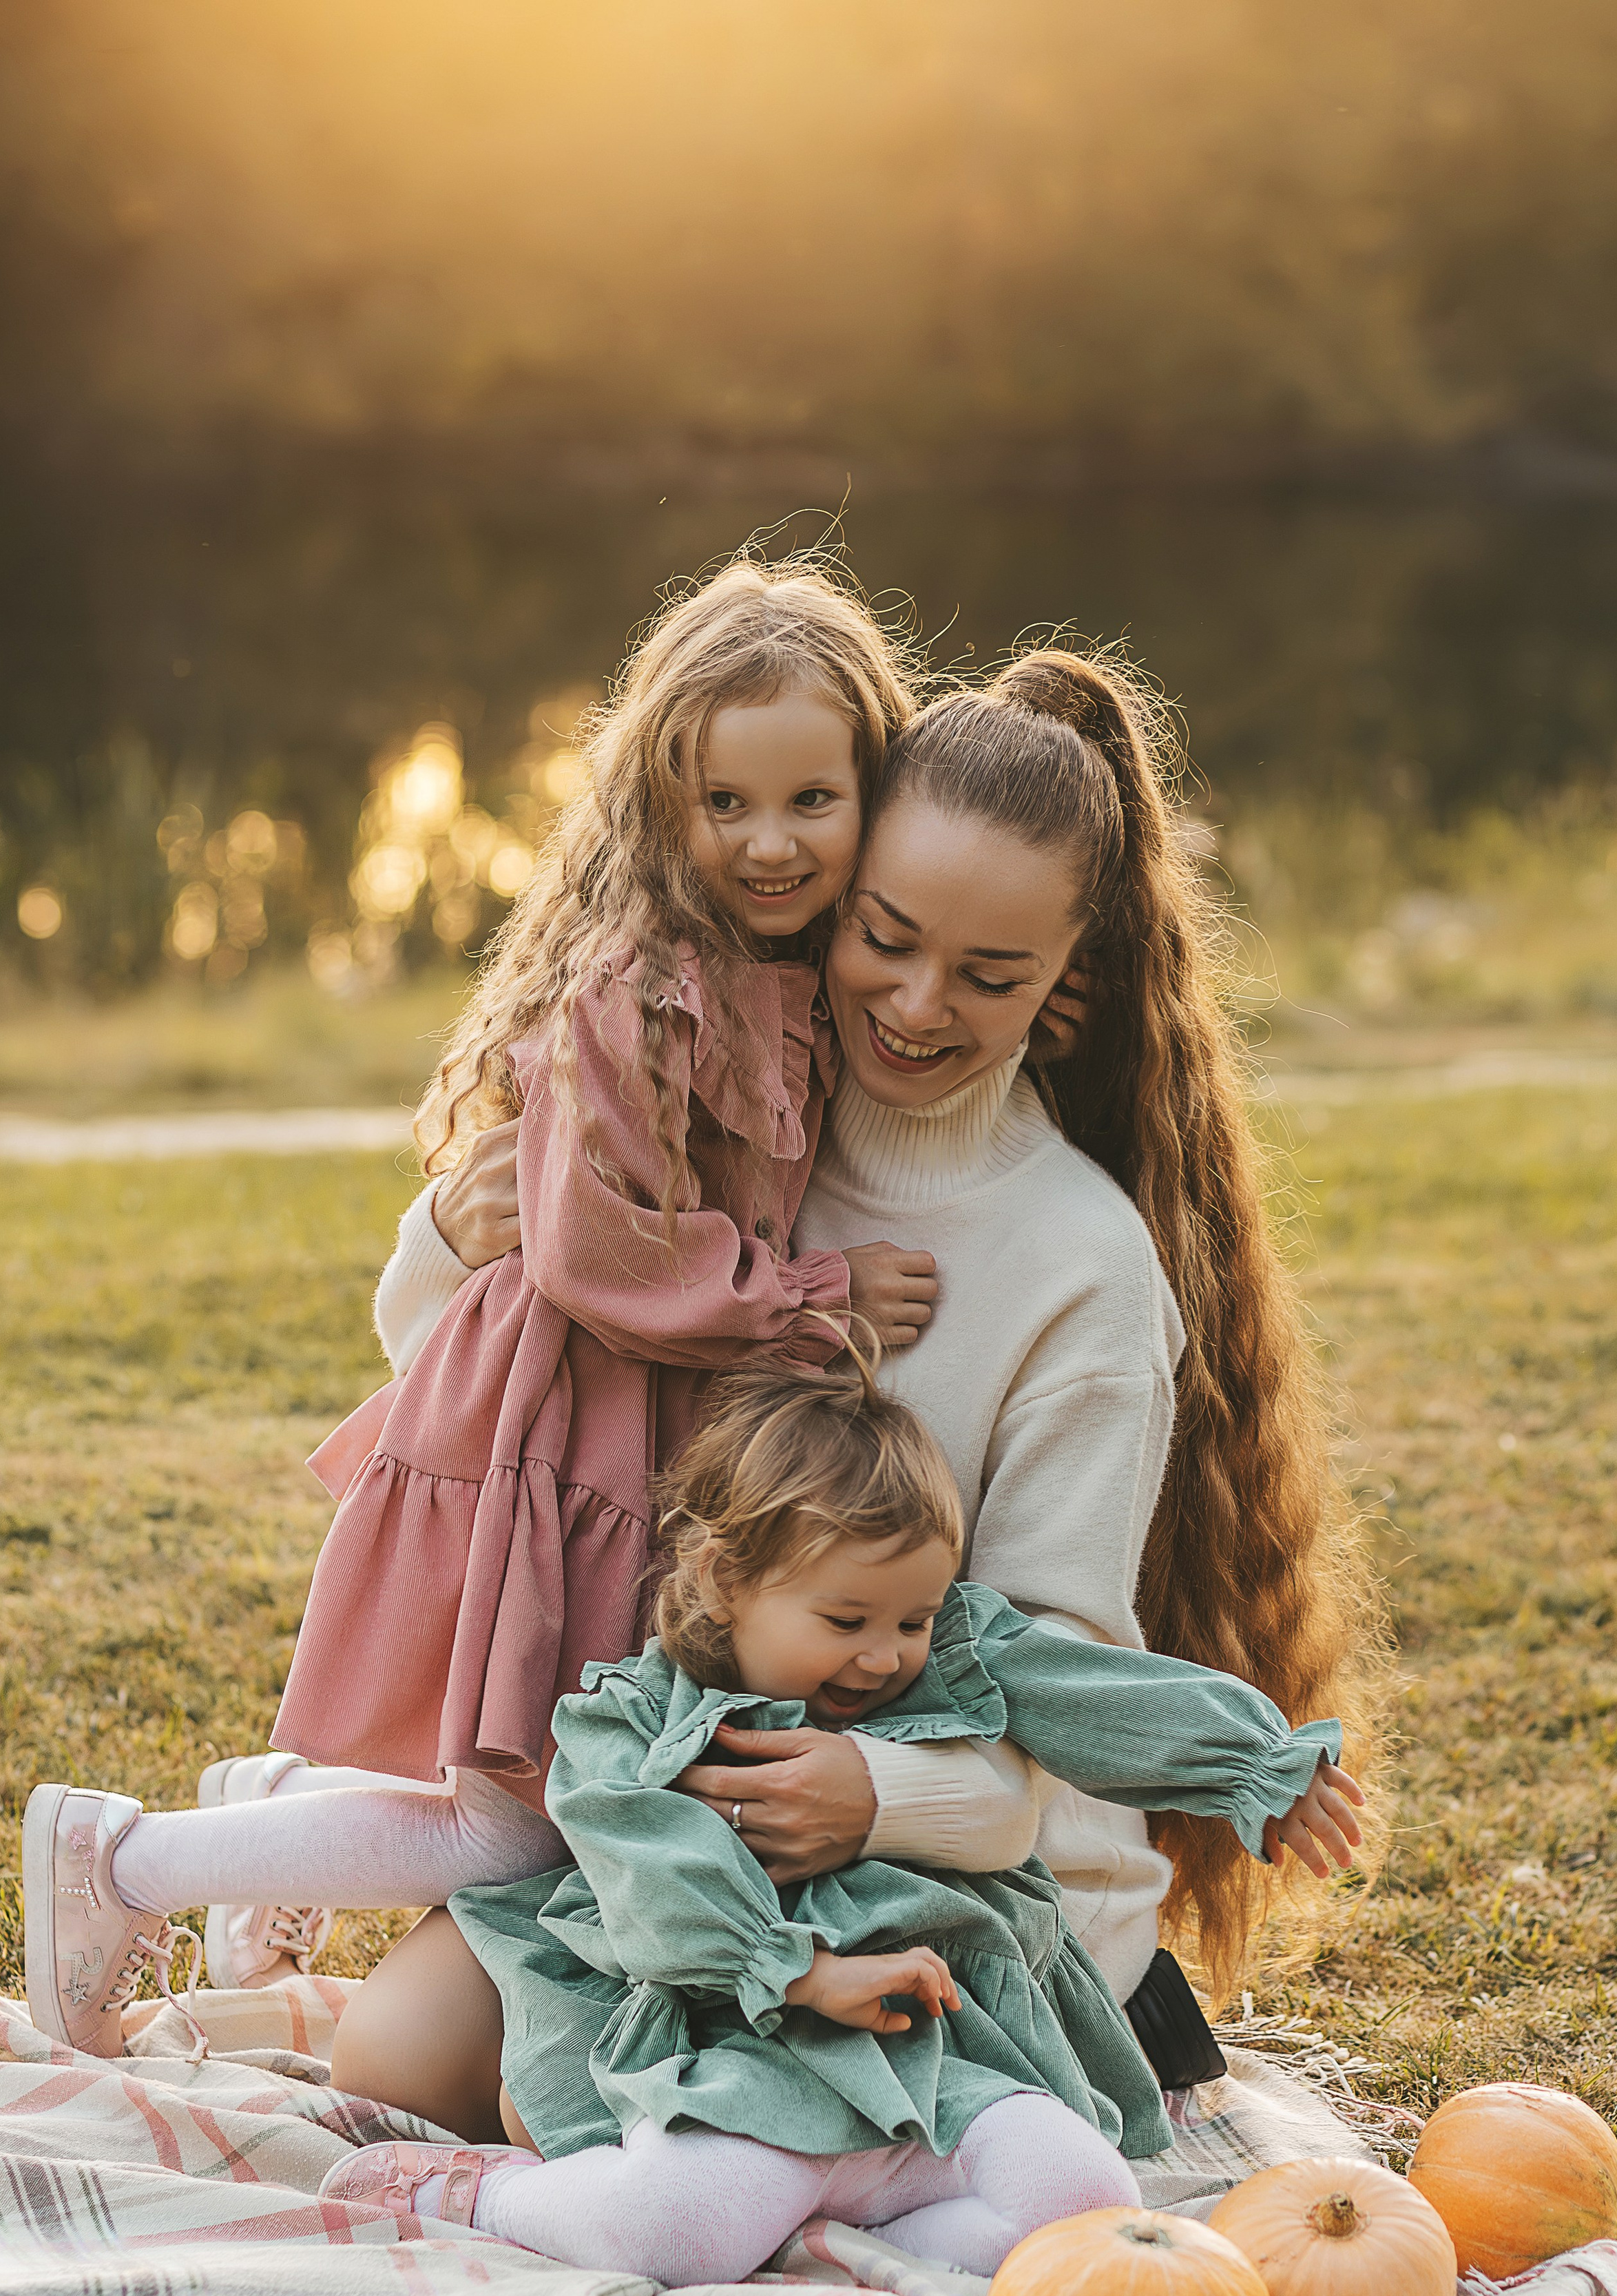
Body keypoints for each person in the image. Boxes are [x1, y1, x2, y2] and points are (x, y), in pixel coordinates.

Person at [311, 643, 1384, 2138]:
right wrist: (455, 1230)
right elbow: (472, 1388)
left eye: (989, 974)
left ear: (1062, 985)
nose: (916, 1005)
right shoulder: (738, 1146)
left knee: (608, 2112)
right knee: (392, 2061)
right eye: (884, 937)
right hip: (715, 1828)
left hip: (971, 1876)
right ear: (819, 892)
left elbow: (1047, 1693)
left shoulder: (1079, 1265)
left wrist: (870, 1794)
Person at [19, 555, 939, 2057]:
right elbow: (596, 1256)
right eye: (725, 805)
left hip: (642, 1434)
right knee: (521, 1827)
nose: (769, 843)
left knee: (551, 1799)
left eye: (810, 803)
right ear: (662, 804)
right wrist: (810, 1298)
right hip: (565, 1428)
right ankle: (119, 1863)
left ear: (869, 794)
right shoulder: (636, 991)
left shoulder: (791, 969)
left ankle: (270, 1810)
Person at [319, 1364, 1359, 2284]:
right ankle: (473, 2198)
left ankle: (836, 2242)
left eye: (910, 1620)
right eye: (846, 1622)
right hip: (751, 2048)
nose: (884, 1655)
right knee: (674, 2233)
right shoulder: (630, 1723)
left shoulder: (950, 1653)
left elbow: (1092, 1692)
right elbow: (648, 1866)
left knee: (1088, 2199)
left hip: (948, 2050)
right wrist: (797, 1971)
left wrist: (1255, 1765)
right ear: (726, 1583)